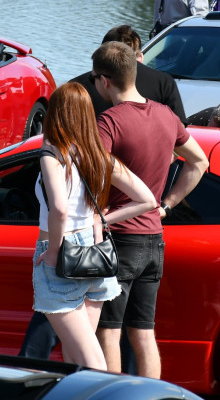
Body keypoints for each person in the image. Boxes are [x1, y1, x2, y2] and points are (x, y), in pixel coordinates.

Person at [92, 41, 210, 378]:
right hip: (154, 239)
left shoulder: (109, 122)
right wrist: (167, 205)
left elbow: (94, 171)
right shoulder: (166, 114)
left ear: (104, 81)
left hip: (120, 239)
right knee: (143, 333)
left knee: (108, 331)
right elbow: (199, 162)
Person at [32, 82, 157, 369]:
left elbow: (60, 208)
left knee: (90, 360)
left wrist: (52, 251)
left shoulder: (52, 152)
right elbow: (147, 199)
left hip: (63, 253)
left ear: (56, 114)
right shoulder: (98, 156)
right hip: (93, 252)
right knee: (78, 356)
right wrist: (100, 219)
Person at [70, 25, 186, 121]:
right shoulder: (164, 82)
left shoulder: (75, 86)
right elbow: (179, 131)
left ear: (102, 54)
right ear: (140, 56)